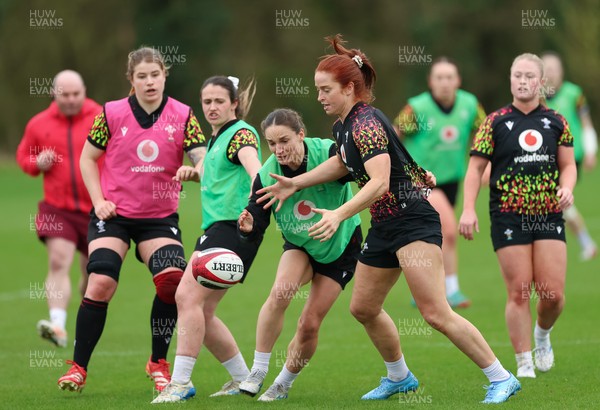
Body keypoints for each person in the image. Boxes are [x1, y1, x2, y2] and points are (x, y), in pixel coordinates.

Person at [258, 35, 520, 404]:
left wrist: (340, 213)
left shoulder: (365, 123)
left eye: (325, 89)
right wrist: (295, 183)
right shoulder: (344, 126)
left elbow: (379, 182)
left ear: (349, 88)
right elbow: (344, 163)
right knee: (363, 307)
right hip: (384, 226)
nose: (319, 97)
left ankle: (501, 376)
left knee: (434, 312)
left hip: (412, 220)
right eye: (318, 89)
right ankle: (399, 377)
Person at [56, 47, 206, 393]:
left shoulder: (183, 115)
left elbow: (202, 157)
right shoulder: (111, 113)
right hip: (115, 215)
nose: (150, 82)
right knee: (101, 282)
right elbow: (87, 159)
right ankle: (78, 368)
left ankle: (158, 362)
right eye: (142, 76)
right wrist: (99, 201)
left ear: (165, 75)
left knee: (171, 281)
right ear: (132, 80)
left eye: (155, 74)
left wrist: (195, 170)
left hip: (159, 217)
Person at [459, 53, 576, 379]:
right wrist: (468, 208)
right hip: (508, 215)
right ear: (510, 80)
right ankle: (524, 361)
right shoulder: (494, 122)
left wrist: (567, 187)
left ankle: (542, 335)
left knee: (552, 295)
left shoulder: (556, 121)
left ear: (541, 82)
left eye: (529, 76)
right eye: (517, 76)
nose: (522, 81)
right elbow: (475, 170)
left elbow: (568, 165)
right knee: (519, 289)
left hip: (549, 214)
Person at [234, 108, 363, 401]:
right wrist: (249, 225)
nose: (278, 150)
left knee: (308, 324)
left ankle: (283, 383)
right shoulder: (267, 174)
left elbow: (354, 169)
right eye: (272, 143)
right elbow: (257, 218)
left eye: (284, 141)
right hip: (300, 245)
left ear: (301, 135)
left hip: (341, 247)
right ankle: (257, 370)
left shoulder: (328, 152)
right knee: (280, 293)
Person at [152, 75, 263, 403]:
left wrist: (255, 206)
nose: (212, 107)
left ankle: (181, 382)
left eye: (219, 101)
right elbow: (219, 170)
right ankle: (242, 379)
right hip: (218, 229)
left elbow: (253, 168)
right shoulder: (218, 139)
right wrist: (194, 172)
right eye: (207, 102)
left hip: (233, 228)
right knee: (202, 310)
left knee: (186, 298)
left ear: (234, 103)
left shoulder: (240, 133)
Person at [16, 70, 101, 348]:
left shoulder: (101, 117)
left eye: (77, 94)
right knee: (58, 261)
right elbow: (23, 156)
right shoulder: (39, 124)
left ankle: (82, 315)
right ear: (54, 93)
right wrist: (36, 162)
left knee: (93, 273)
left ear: (84, 91)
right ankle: (58, 325)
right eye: (65, 94)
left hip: (97, 207)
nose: (72, 100)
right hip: (57, 208)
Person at [393, 57, 486, 308]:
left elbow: (485, 133)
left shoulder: (469, 105)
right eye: (439, 78)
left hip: (453, 180)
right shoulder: (417, 108)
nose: (444, 83)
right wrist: (399, 170)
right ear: (430, 82)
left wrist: (485, 163)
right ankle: (451, 290)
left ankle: (420, 289)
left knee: (429, 236)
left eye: (449, 77)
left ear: (458, 80)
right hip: (421, 181)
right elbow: (393, 135)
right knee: (448, 231)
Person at [541, 51, 597, 261]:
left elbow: (586, 123)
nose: (550, 73)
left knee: (557, 199)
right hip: (545, 158)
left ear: (561, 71)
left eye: (553, 68)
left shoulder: (574, 94)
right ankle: (586, 243)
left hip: (571, 157)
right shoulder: (535, 96)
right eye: (545, 69)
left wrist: (591, 150)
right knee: (560, 202)